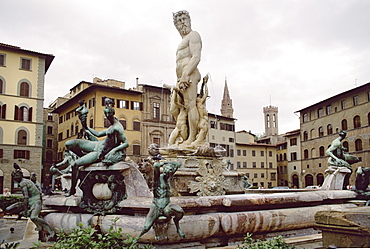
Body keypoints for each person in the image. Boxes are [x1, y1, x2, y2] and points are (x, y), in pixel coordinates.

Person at [64, 98, 129, 196]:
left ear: (112, 113)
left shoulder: (117, 127)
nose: (107, 117)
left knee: (75, 165)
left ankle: (72, 189)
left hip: (99, 153)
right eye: (106, 114)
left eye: (108, 114)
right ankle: (84, 158)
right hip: (97, 145)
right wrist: (86, 127)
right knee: (69, 144)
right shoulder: (112, 126)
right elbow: (98, 134)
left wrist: (113, 150)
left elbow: (126, 143)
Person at [173, 10, 202, 146]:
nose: (182, 22)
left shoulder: (194, 35)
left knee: (191, 105)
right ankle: (183, 137)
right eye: (179, 21)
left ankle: (192, 139)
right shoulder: (183, 40)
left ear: (189, 20)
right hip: (181, 78)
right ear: (176, 25)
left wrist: (186, 74)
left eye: (184, 19)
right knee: (178, 108)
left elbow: (196, 57)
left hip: (189, 75)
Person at [137, 161, 185, 239]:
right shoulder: (157, 179)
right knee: (146, 227)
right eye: (167, 170)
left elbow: (178, 164)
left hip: (167, 206)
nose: (169, 172)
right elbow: (156, 165)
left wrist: (168, 163)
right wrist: (163, 163)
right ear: (164, 170)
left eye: (170, 171)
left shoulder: (168, 177)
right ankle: (135, 240)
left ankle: (178, 227)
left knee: (180, 212)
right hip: (157, 206)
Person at [6, 165, 54, 239]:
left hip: (36, 201)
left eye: (16, 176)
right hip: (35, 200)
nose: (15, 178)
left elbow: (26, 197)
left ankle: (51, 231)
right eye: (14, 177)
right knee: (30, 216)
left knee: (33, 217)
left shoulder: (22, 183)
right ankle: (39, 226)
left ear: (20, 176)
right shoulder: (26, 180)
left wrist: (25, 210)